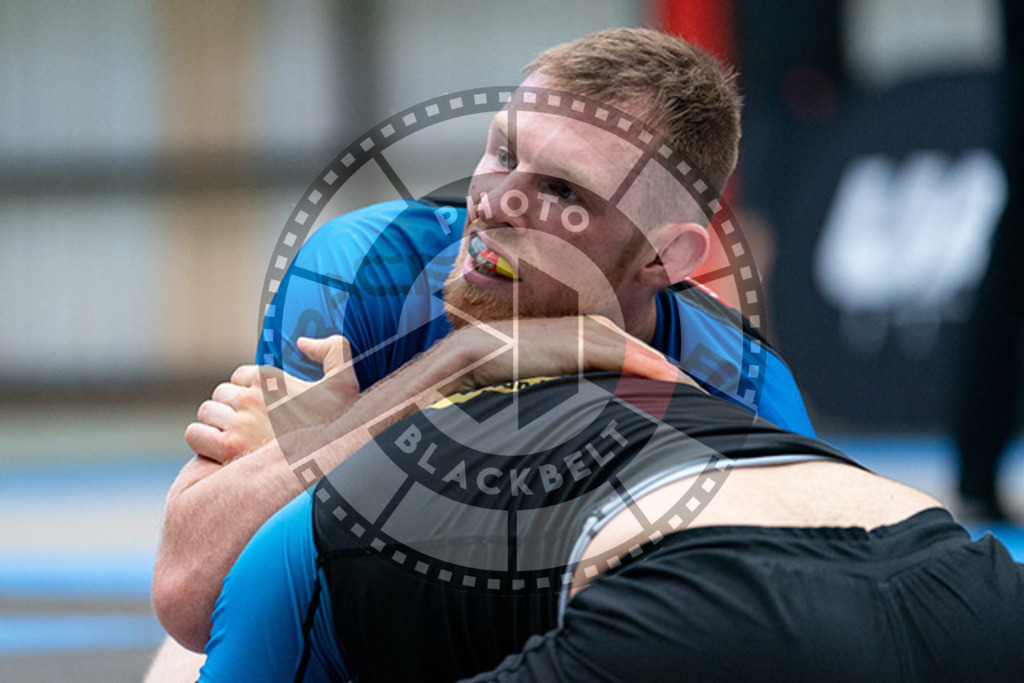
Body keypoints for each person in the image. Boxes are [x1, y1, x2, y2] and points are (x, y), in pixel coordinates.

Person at [152, 27, 813, 661]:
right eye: (503, 153)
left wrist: (341, 439)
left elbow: (790, 635)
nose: (494, 203)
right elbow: (194, 596)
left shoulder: (742, 387)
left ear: (665, 256)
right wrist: (447, 375)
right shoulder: (361, 272)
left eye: (559, 190)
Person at [198, 360, 1024, 681]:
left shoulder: (294, 555)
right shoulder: (704, 371)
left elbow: (183, 589)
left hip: (707, 596)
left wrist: (319, 432)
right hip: (961, 569)